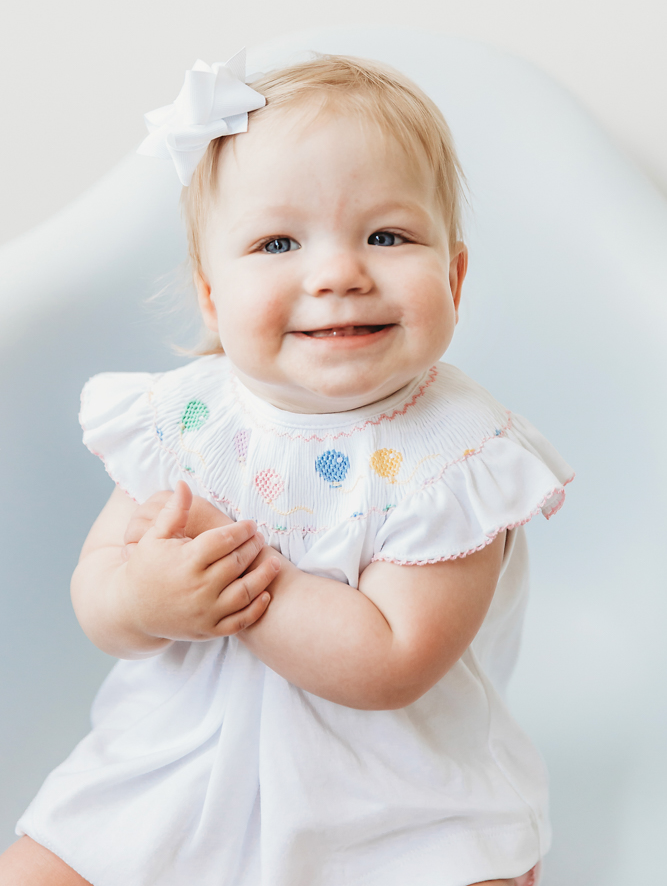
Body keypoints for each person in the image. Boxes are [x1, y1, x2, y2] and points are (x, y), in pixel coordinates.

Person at [1, 50, 573, 886]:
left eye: (387, 235)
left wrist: (233, 571)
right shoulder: (186, 421)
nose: (338, 274)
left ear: (452, 275)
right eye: (276, 242)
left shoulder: (456, 458)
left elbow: (389, 662)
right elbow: (100, 592)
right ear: (210, 297)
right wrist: (143, 596)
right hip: (174, 775)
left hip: (389, 804)